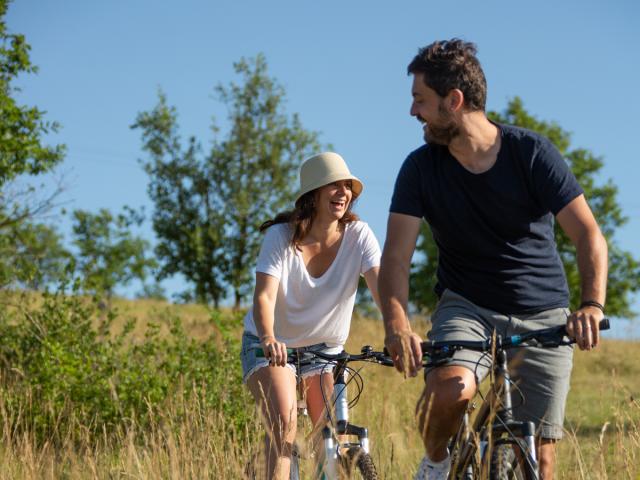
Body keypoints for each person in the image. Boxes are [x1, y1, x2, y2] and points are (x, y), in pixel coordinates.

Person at [378, 39, 608, 480]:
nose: (413, 113)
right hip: (467, 306)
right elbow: (396, 258)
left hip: (544, 314)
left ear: (454, 101)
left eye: (420, 100)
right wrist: (396, 324)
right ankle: (437, 464)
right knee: (450, 392)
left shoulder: (532, 153)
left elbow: (588, 234)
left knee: (539, 460)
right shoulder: (420, 168)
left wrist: (592, 305)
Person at [241, 151, 382, 480]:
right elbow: (264, 295)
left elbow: (382, 287)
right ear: (312, 195)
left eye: (347, 186)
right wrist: (269, 338)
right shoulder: (280, 237)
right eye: (333, 185)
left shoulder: (358, 237)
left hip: (324, 353)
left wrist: (397, 329)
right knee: (284, 426)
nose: (343, 192)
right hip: (273, 348)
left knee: (328, 438)